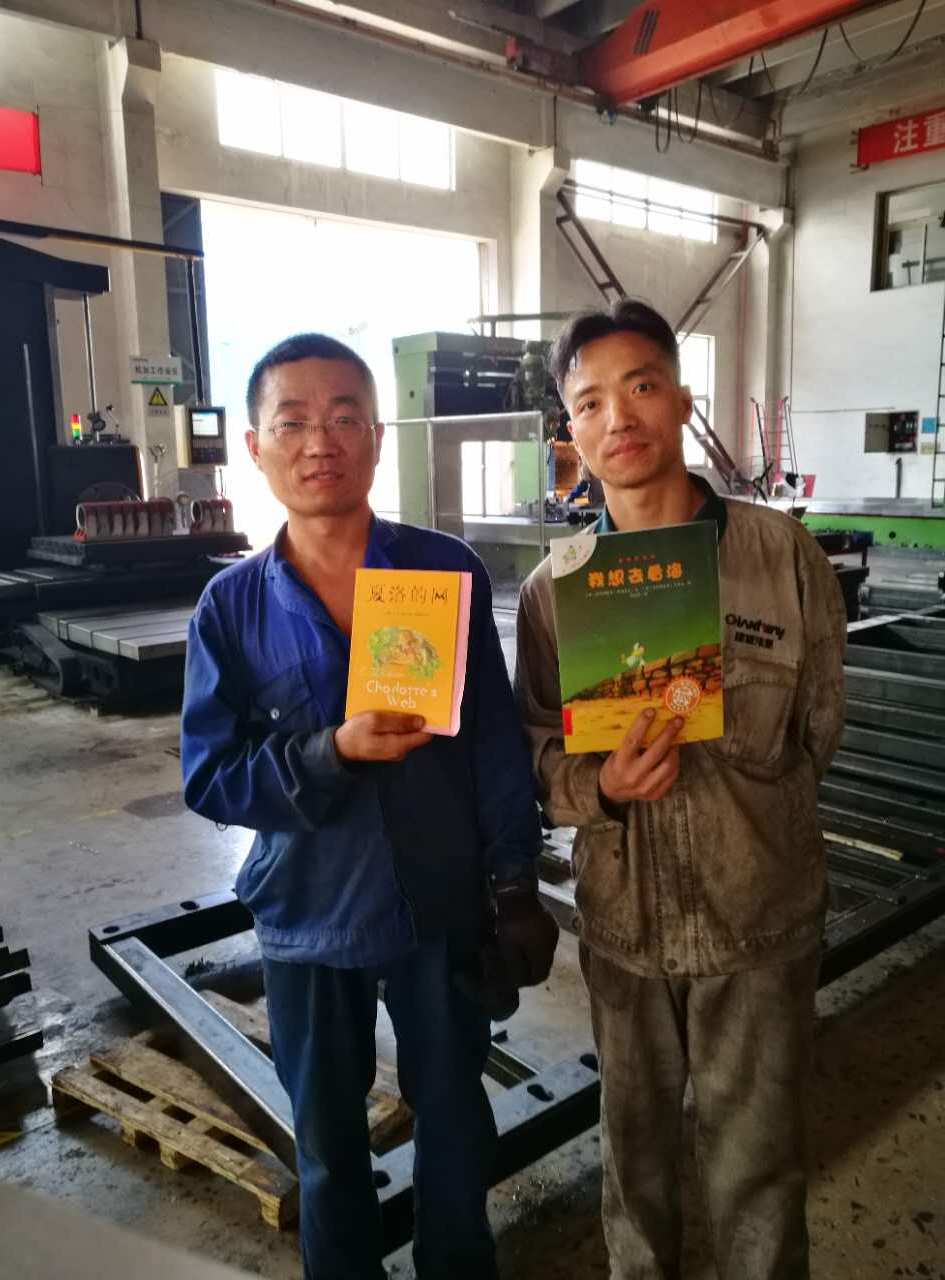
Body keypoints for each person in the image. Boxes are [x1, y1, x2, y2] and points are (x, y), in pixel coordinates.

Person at [180, 333, 558, 1280]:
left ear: (378, 438)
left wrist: (515, 883)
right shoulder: (230, 608)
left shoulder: (445, 571)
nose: (321, 441)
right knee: (328, 1146)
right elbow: (211, 775)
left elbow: (492, 743)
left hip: (440, 908)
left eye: (345, 417)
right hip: (309, 919)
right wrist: (331, 753)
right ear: (256, 448)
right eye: (293, 423)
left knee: (454, 1123)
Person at [514, 300, 846, 1280]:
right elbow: (535, 752)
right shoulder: (554, 589)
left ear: (683, 399)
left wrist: (751, 821)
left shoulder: (780, 555)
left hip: (760, 927)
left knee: (760, 1178)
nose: (618, 416)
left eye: (642, 386)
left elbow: (820, 725)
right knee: (636, 1177)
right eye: (590, 402)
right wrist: (604, 787)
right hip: (626, 934)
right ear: (571, 430)